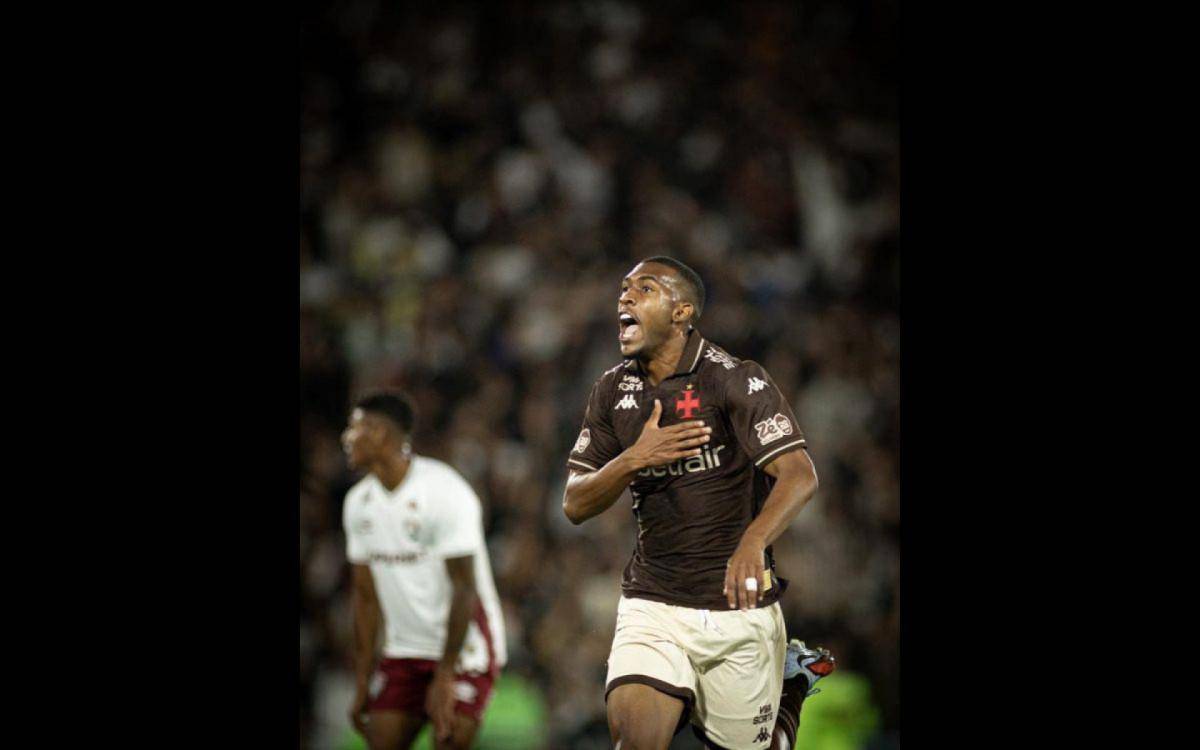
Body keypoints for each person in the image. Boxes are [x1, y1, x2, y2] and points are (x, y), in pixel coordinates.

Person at [563, 257, 834, 750]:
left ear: (681, 311)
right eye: (623, 289)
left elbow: (799, 475)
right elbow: (575, 504)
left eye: (643, 289)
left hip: (737, 605)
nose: (624, 298)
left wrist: (754, 541)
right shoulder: (611, 390)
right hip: (653, 602)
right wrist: (633, 459)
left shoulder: (734, 379)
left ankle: (790, 691)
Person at [341, 391, 506, 750]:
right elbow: (366, 599)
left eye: (354, 429)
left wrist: (445, 672)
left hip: (465, 650)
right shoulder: (358, 505)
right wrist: (362, 682)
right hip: (404, 652)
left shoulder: (445, 492)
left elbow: (465, 589)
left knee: (449, 740)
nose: (346, 438)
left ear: (381, 434)